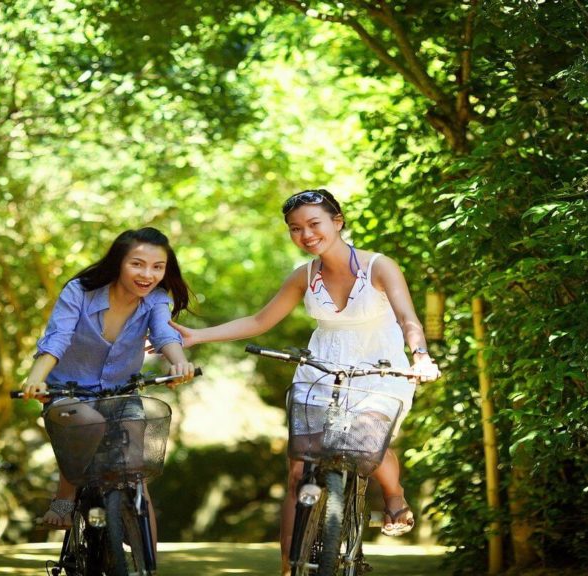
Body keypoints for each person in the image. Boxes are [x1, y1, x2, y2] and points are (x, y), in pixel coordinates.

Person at [169, 189, 440, 573]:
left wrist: (422, 357)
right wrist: (198, 336)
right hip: (320, 370)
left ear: (337, 221)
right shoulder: (304, 275)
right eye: (296, 229)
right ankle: (288, 566)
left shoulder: (379, 266)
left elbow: (408, 318)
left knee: (365, 440)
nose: (306, 234)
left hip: (379, 370)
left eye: (314, 223)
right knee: (299, 470)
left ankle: (393, 494)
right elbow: (260, 321)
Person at [20, 227, 196, 530]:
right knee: (89, 423)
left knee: (136, 474)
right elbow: (57, 339)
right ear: (118, 262)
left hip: (122, 394)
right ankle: (65, 495)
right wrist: (35, 379)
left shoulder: (155, 299)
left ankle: (145, 563)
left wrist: (180, 364)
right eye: (137, 264)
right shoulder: (79, 291)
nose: (148, 275)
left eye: (158, 267)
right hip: (68, 392)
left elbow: (165, 334)